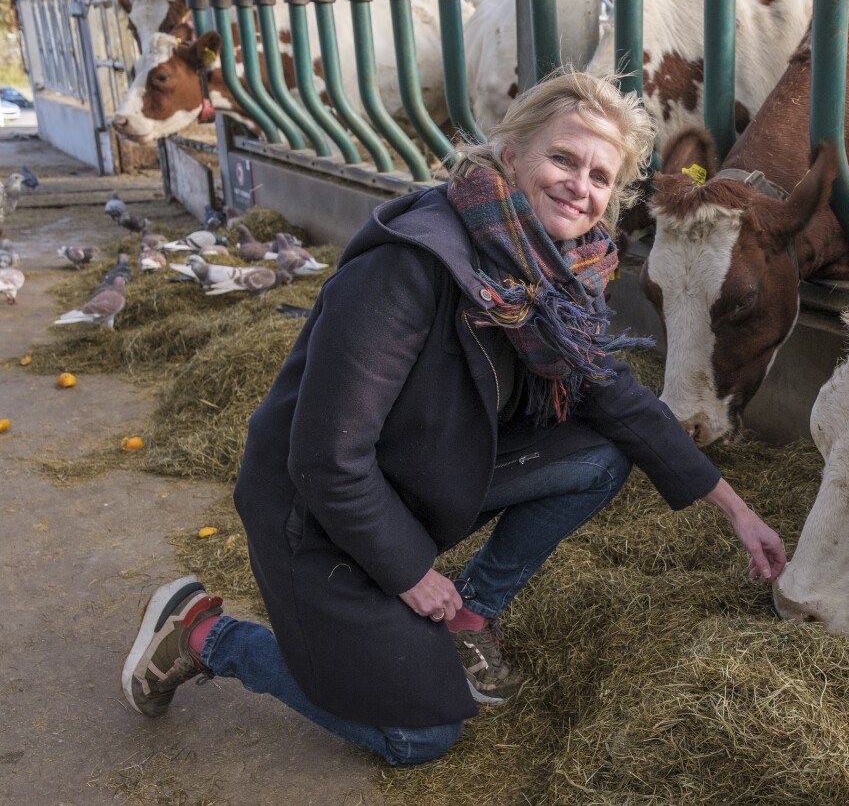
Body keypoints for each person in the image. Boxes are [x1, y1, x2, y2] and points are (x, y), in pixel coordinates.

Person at [121, 70, 789, 767]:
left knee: (600, 455)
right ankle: (202, 636)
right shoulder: (411, 264)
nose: (579, 185)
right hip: (316, 515)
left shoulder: (552, 275)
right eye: (563, 159)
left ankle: (469, 614)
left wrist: (733, 508)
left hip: (417, 475)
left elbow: (611, 392)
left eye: (600, 175)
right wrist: (412, 575)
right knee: (420, 736)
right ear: (510, 155)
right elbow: (325, 457)